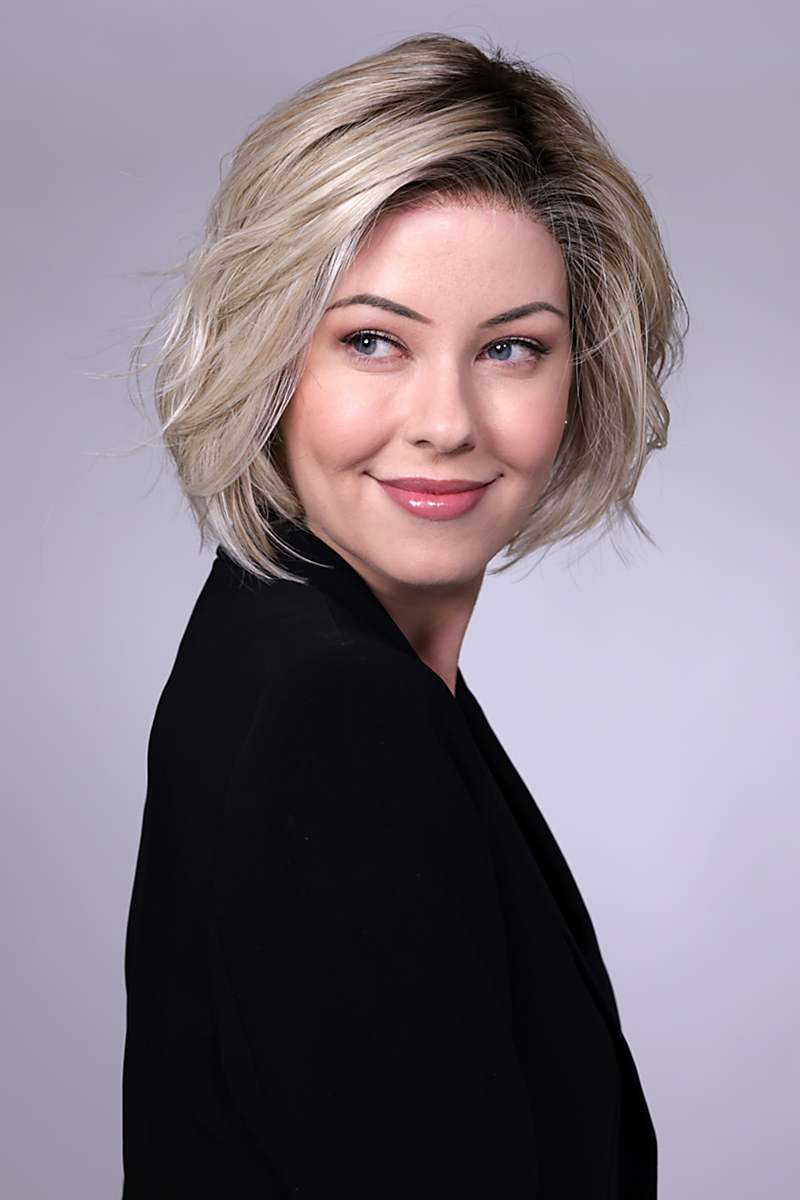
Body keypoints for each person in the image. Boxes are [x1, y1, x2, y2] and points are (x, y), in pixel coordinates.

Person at [122, 31, 688, 1199]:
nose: (445, 421)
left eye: (511, 348)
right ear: (270, 356)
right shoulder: (335, 713)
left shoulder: (280, 636)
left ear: (581, 375)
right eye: (373, 341)